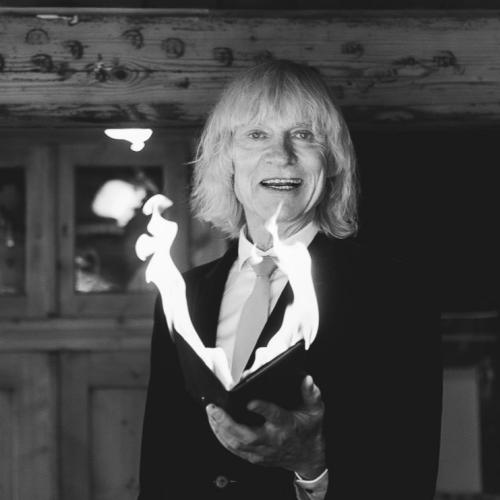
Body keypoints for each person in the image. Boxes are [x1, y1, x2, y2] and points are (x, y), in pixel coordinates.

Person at [137, 60, 442, 500]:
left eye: (303, 134)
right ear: (226, 158)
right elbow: (160, 462)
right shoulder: (181, 293)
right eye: (256, 135)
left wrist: (311, 465)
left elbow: (408, 477)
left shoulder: (395, 292)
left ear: (332, 160)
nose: (281, 155)